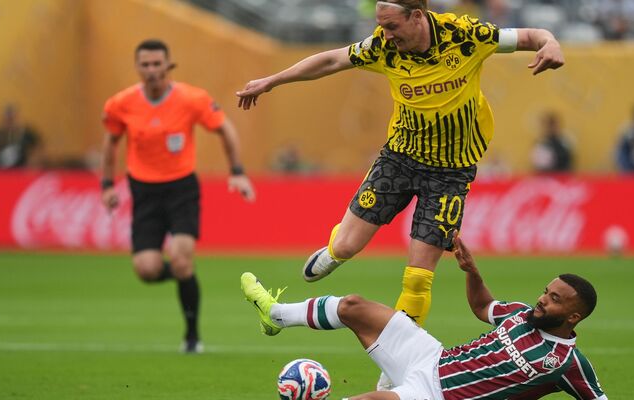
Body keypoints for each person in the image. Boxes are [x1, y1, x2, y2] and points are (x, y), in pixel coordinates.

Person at [236, 0, 564, 346]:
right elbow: (333, 59)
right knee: (347, 246)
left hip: (450, 174)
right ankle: (335, 252)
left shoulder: (465, 35)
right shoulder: (382, 47)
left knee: (418, 279)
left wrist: (551, 42)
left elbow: (531, 35)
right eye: (382, 26)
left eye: (392, 26)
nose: (386, 35)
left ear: (417, 16)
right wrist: (272, 81)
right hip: (400, 159)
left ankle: (394, 366)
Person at [241, 235, 606, 399]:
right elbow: (483, 308)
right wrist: (472, 272)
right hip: (431, 358)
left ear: (573, 316)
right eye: (546, 291)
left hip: (435, 395)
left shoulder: (567, 363)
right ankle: (275, 315)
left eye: (554, 300)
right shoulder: (522, 315)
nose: (542, 300)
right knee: (352, 306)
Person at [100, 39, 256, 353]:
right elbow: (111, 143)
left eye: (157, 64)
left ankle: (192, 336)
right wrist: (106, 185)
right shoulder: (120, 104)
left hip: (181, 188)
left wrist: (237, 171)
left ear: (168, 65)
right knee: (146, 269)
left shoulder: (192, 98)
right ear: (137, 67)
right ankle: (185, 276)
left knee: (183, 261)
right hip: (143, 190)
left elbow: (225, 129)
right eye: (145, 64)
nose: (152, 70)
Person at [0, 104, 43, 169]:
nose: (9, 122)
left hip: (21, 170)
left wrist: (33, 164)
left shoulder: (27, 133)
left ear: (16, 118)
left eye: (12, 118)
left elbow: (37, 148)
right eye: (7, 119)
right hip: (1, 171)